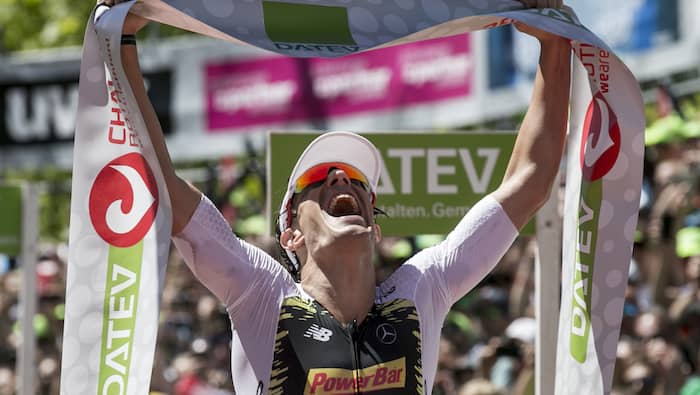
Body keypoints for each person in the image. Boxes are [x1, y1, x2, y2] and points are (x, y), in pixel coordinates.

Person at [99, 0, 570, 392]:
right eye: (320, 178)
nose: (343, 181)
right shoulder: (262, 293)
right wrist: (122, 40)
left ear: (376, 228)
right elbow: (163, 187)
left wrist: (553, 38)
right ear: (291, 234)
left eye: (357, 182)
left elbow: (529, 182)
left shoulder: (421, 287)